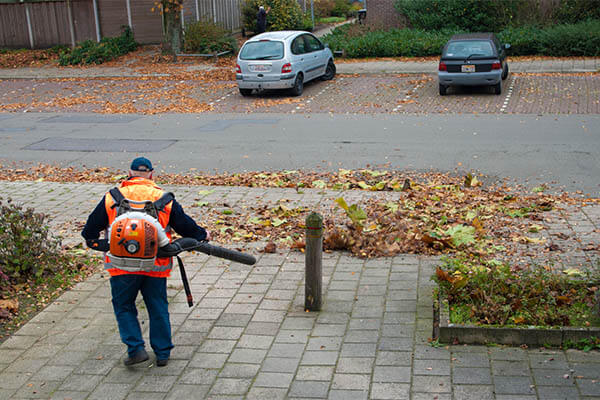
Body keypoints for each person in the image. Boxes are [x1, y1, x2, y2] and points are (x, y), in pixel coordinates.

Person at [82, 157, 209, 367]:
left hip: (120, 266)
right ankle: (162, 353)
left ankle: (136, 350)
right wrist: (203, 234)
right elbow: (186, 227)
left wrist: (106, 244)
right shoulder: (164, 199)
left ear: (129, 174)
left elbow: (89, 231)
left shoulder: (111, 197)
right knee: (157, 305)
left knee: (123, 306)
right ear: (151, 174)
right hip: (155, 265)